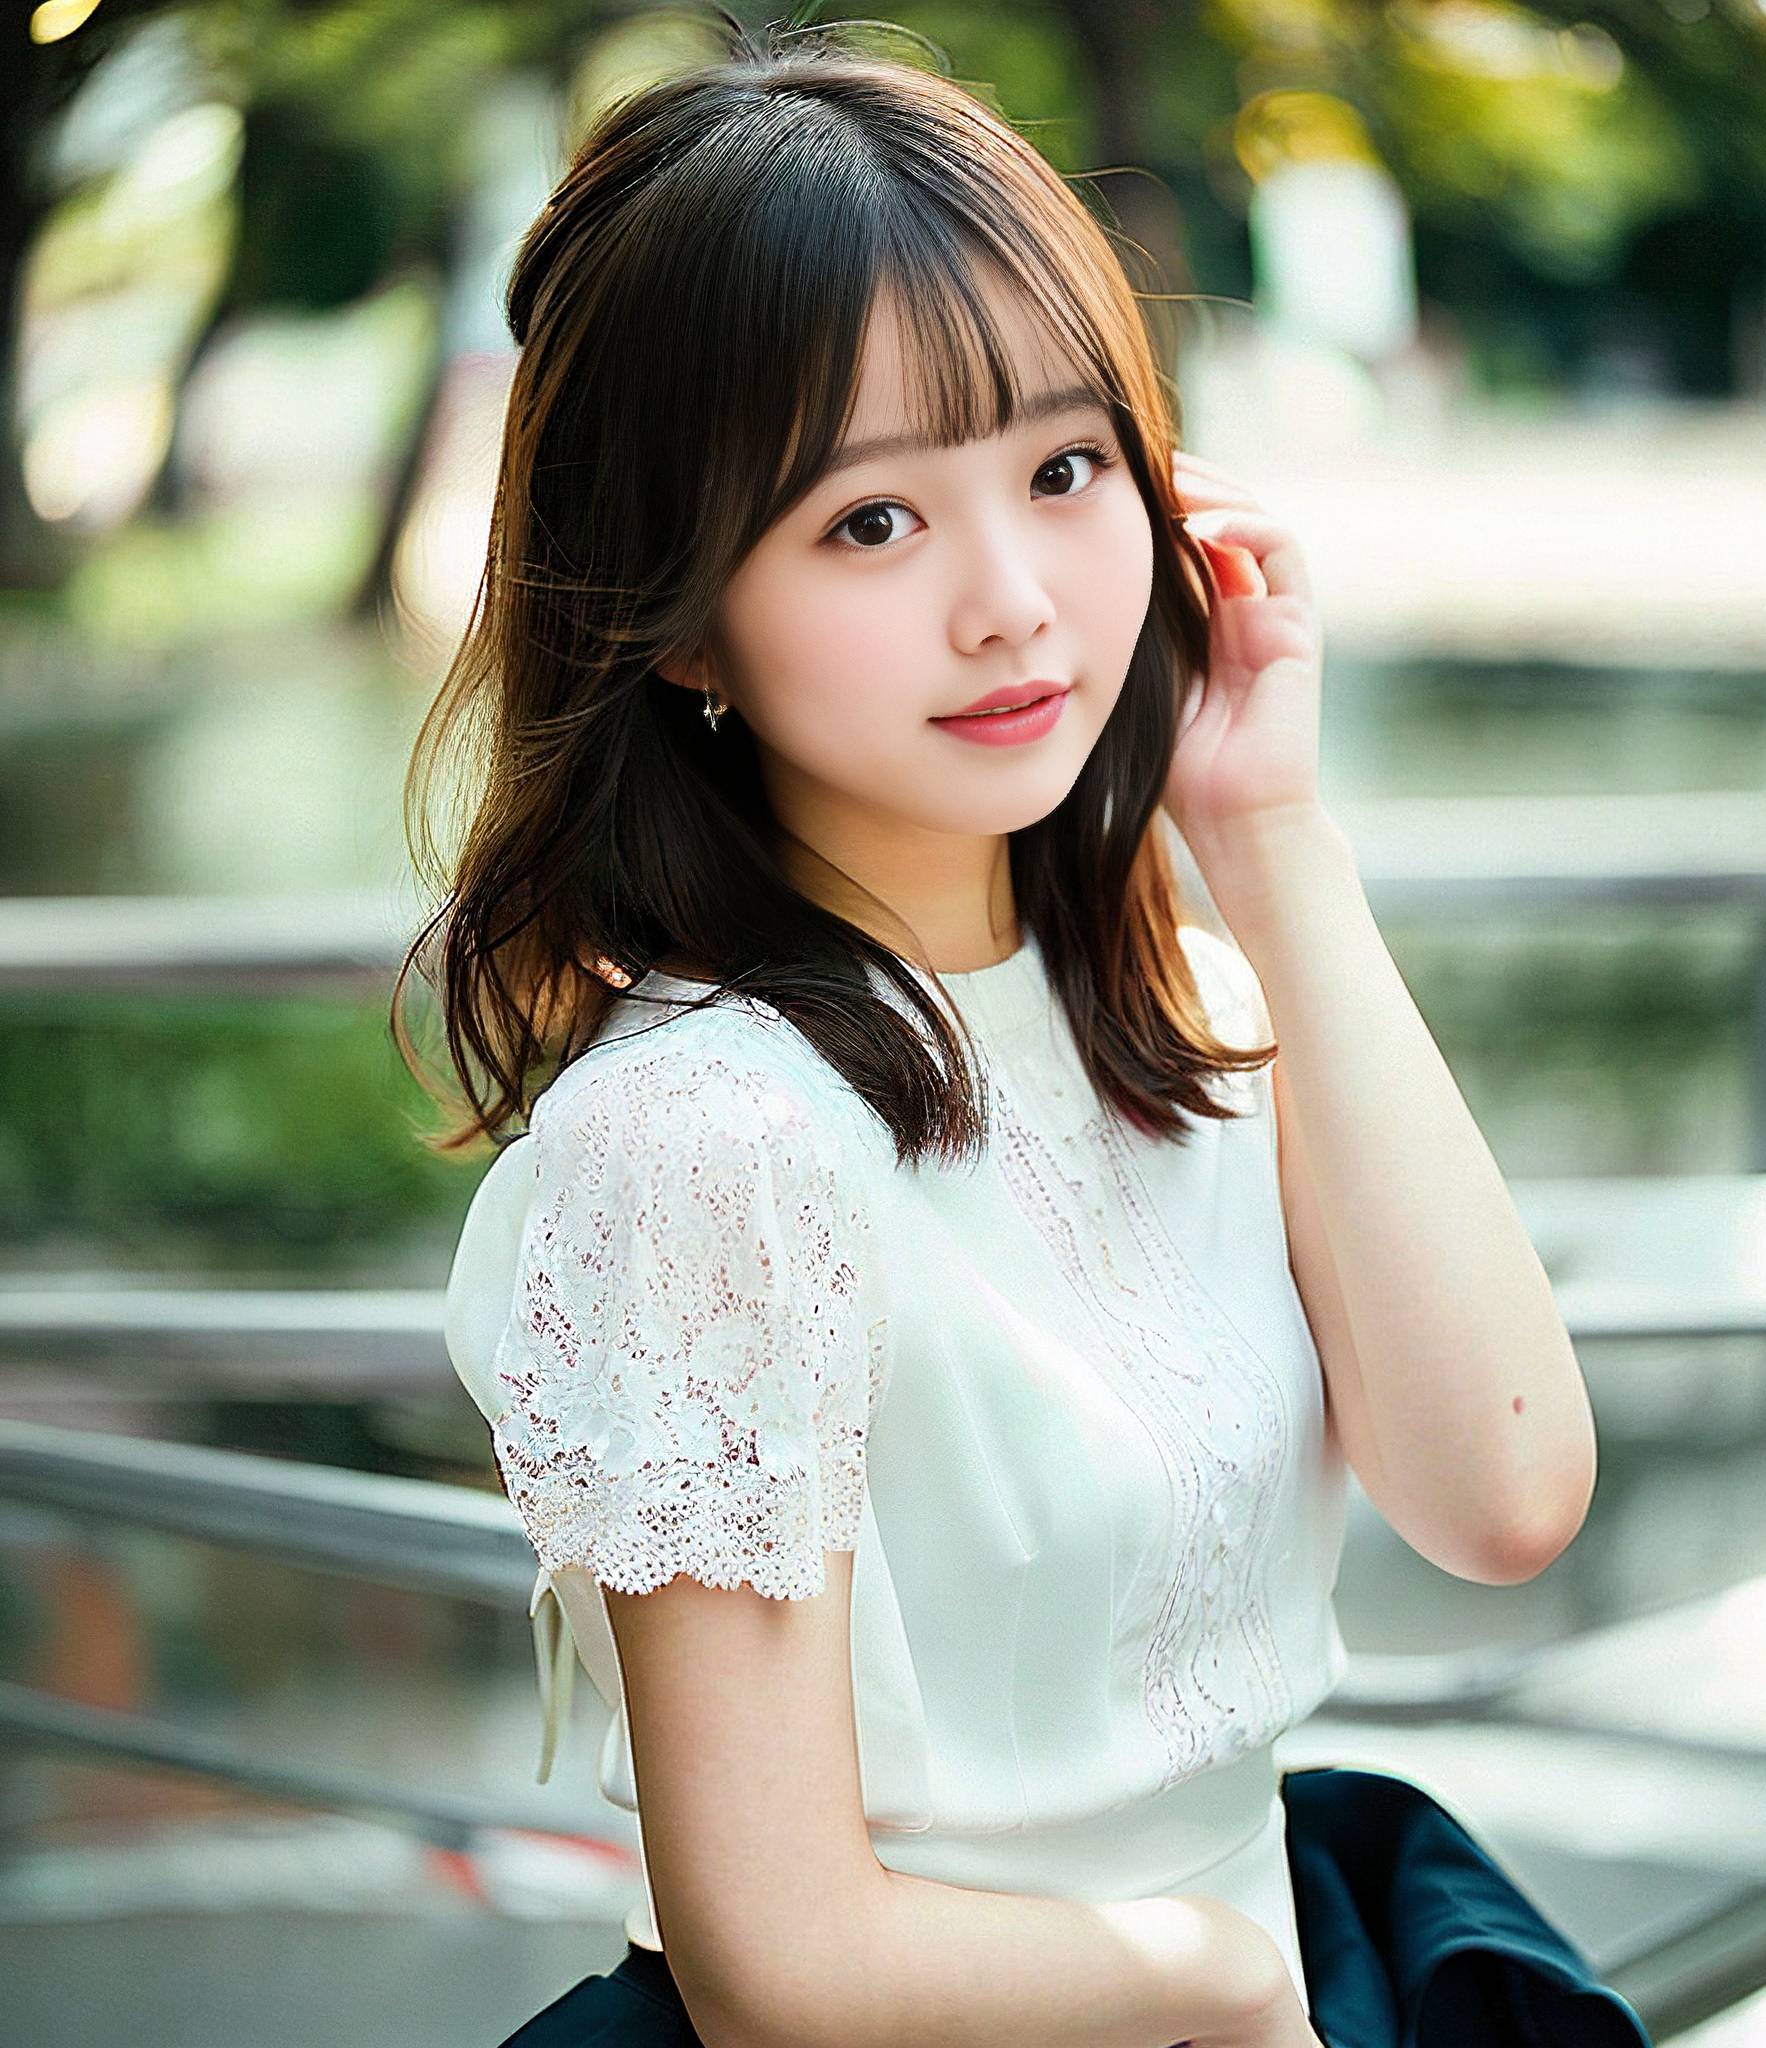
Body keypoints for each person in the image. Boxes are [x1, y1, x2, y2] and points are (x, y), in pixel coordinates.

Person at [413, 10, 1656, 2045]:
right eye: (870, 522)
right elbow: (779, 1961)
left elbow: (1500, 1491)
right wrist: (1219, 1983)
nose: (1013, 599)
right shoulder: (710, 1143)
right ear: (676, 614)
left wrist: (1265, 834)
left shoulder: (1159, 988)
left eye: (1064, 466)